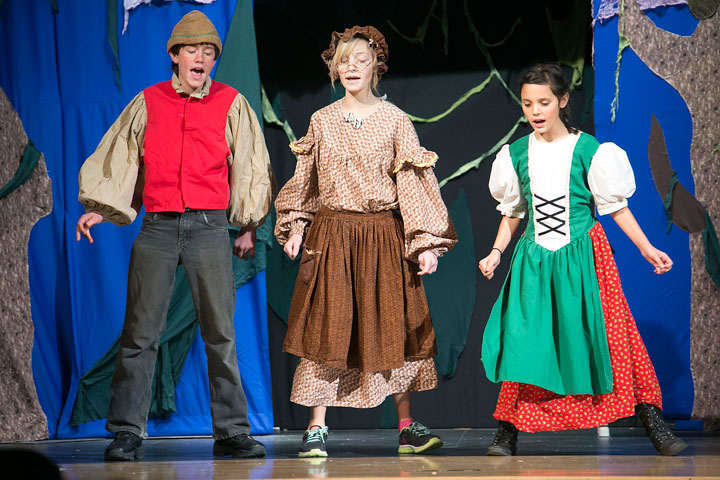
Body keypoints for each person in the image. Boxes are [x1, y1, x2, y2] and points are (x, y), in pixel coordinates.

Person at [75, 10, 273, 461]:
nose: (201, 58)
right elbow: (121, 158)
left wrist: (248, 225)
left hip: (208, 228)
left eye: (208, 52)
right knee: (140, 333)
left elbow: (249, 166)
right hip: (159, 228)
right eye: (192, 50)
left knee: (220, 333)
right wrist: (99, 209)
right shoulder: (149, 102)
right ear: (175, 55)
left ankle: (232, 431)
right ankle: (127, 430)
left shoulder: (231, 103)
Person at [478, 63, 686, 456]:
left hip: (585, 258)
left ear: (562, 100)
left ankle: (653, 421)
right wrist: (495, 252)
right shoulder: (517, 154)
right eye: (527, 104)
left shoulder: (590, 150)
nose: (536, 111)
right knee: (526, 341)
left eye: (543, 102)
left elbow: (616, 207)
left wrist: (646, 248)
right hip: (536, 261)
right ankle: (507, 430)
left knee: (613, 338)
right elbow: (513, 212)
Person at [274, 26, 457, 457]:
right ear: (334, 69)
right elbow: (307, 182)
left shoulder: (395, 121)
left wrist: (425, 242)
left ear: (377, 65)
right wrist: (296, 226)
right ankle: (317, 427)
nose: (351, 67)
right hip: (333, 235)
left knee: (391, 325)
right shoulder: (322, 119)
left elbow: (412, 184)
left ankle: (407, 426)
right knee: (326, 326)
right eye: (343, 60)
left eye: (360, 59)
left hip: (382, 236)